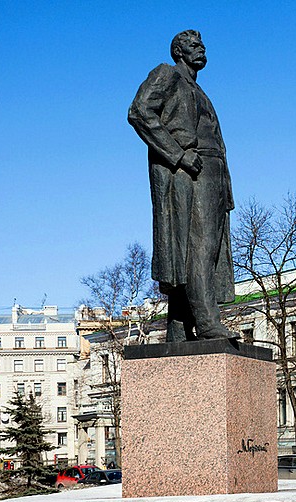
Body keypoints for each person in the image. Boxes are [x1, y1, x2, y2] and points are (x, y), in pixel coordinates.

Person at [129, 30, 236, 341]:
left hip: (213, 172)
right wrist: (177, 154)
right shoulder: (167, 75)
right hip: (191, 171)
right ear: (178, 51)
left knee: (200, 249)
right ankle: (206, 322)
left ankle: (178, 325)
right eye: (192, 45)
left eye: (202, 44)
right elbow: (139, 112)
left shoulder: (199, 90)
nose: (200, 49)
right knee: (197, 248)